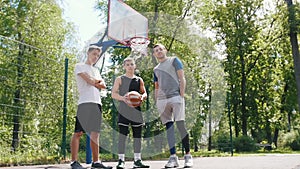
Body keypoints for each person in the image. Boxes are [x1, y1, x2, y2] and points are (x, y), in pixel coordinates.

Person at [70, 45, 112, 169]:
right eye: (94, 54)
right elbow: (90, 81)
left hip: (97, 103)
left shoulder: (96, 70)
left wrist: (96, 82)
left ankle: (96, 162)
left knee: (95, 134)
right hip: (84, 103)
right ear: (88, 53)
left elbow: (103, 86)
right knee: (78, 132)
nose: (96, 57)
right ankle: (74, 162)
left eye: (98, 55)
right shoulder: (79, 66)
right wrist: (96, 82)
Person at [153, 44, 193, 168]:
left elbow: (182, 77)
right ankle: (173, 158)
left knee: (181, 125)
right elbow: (156, 86)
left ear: (165, 50)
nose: (159, 51)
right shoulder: (155, 69)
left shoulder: (174, 60)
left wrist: (181, 94)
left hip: (176, 96)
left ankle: (188, 156)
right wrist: (157, 100)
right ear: (154, 54)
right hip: (162, 100)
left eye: (160, 49)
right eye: (156, 51)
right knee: (169, 128)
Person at [111, 57, 150, 169]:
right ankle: (121, 160)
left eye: (131, 64)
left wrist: (142, 97)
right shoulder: (120, 79)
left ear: (135, 66)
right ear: (124, 66)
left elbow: (144, 93)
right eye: (127, 64)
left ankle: (137, 160)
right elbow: (113, 94)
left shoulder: (139, 80)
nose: (129, 66)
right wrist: (124, 98)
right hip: (123, 109)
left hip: (136, 111)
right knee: (122, 135)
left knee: (137, 136)